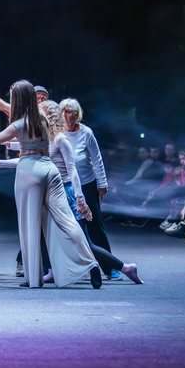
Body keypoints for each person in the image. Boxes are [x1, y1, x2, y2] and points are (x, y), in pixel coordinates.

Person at [0, 100, 143, 285]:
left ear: (48, 118)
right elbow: (25, 153)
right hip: (49, 190)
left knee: (82, 241)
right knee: (45, 234)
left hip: (64, 191)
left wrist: (80, 198)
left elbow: (73, 171)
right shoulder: (45, 139)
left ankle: (123, 267)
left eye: (39, 116)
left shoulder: (60, 139)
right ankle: (50, 271)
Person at [0, 81, 101, 289]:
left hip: (29, 171)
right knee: (67, 221)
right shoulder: (42, 119)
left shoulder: (20, 123)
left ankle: (33, 278)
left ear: (19, 99)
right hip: (49, 169)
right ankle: (90, 262)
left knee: (30, 224)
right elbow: (30, 143)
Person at [59, 98, 118, 280]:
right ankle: (73, 267)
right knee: (68, 227)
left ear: (78, 115)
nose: (67, 116)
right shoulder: (57, 133)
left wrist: (102, 184)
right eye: (64, 112)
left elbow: (97, 160)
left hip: (86, 184)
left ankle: (109, 267)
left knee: (95, 225)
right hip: (64, 186)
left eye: (71, 112)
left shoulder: (86, 133)